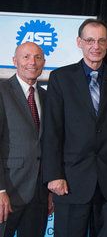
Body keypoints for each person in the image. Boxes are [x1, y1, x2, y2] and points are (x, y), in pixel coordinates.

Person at [41, 19, 107, 237]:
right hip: (70, 181)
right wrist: (54, 175)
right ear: (79, 42)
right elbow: (52, 130)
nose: (95, 46)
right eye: (89, 40)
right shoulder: (60, 78)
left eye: (100, 40)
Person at [0, 42, 52, 237]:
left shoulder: (48, 97)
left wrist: (49, 191)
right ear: (15, 61)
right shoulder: (2, 91)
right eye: (26, 57)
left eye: (38, 57)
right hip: (8, 191)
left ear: (44, 63)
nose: (32, 62)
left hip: (39, 195)